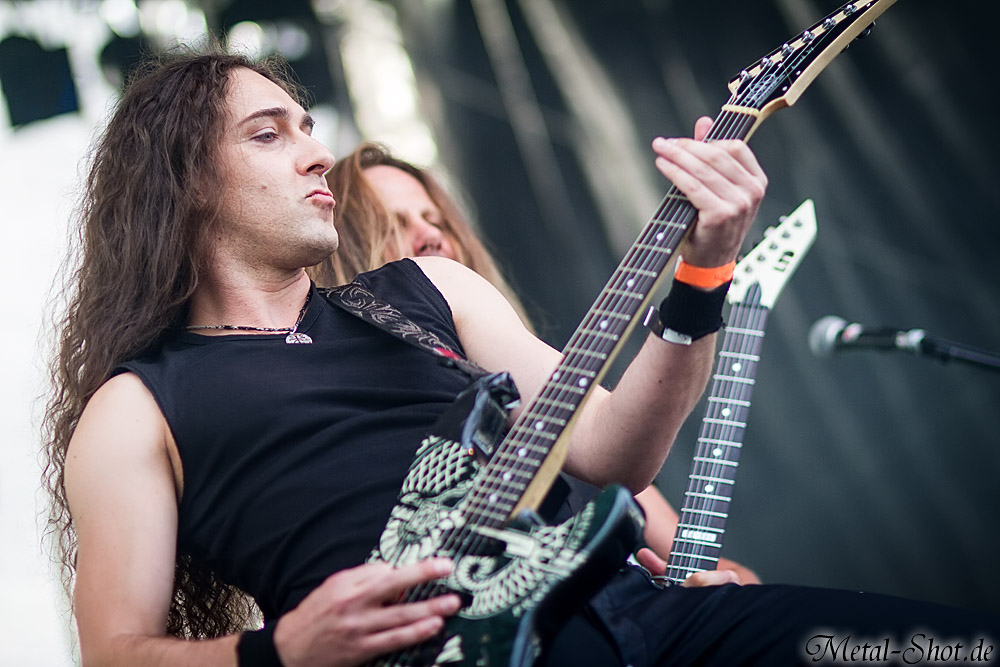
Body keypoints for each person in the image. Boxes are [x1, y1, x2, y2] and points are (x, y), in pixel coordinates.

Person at [44, 48, 995, 667]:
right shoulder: (138, 406)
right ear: (185, 183)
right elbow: (116, 651)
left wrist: (704, 268)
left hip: (646, 616)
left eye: (307, 126)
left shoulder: (430, 292)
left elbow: (615, 450)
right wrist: (280, 651)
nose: (315, 154)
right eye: (268, 134)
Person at [312, 141, 760, 585]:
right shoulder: (374, 429)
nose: (431, 235)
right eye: (393, 223)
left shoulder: (542, 388)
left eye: (437, 220)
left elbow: (710, 564)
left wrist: (722, 587)